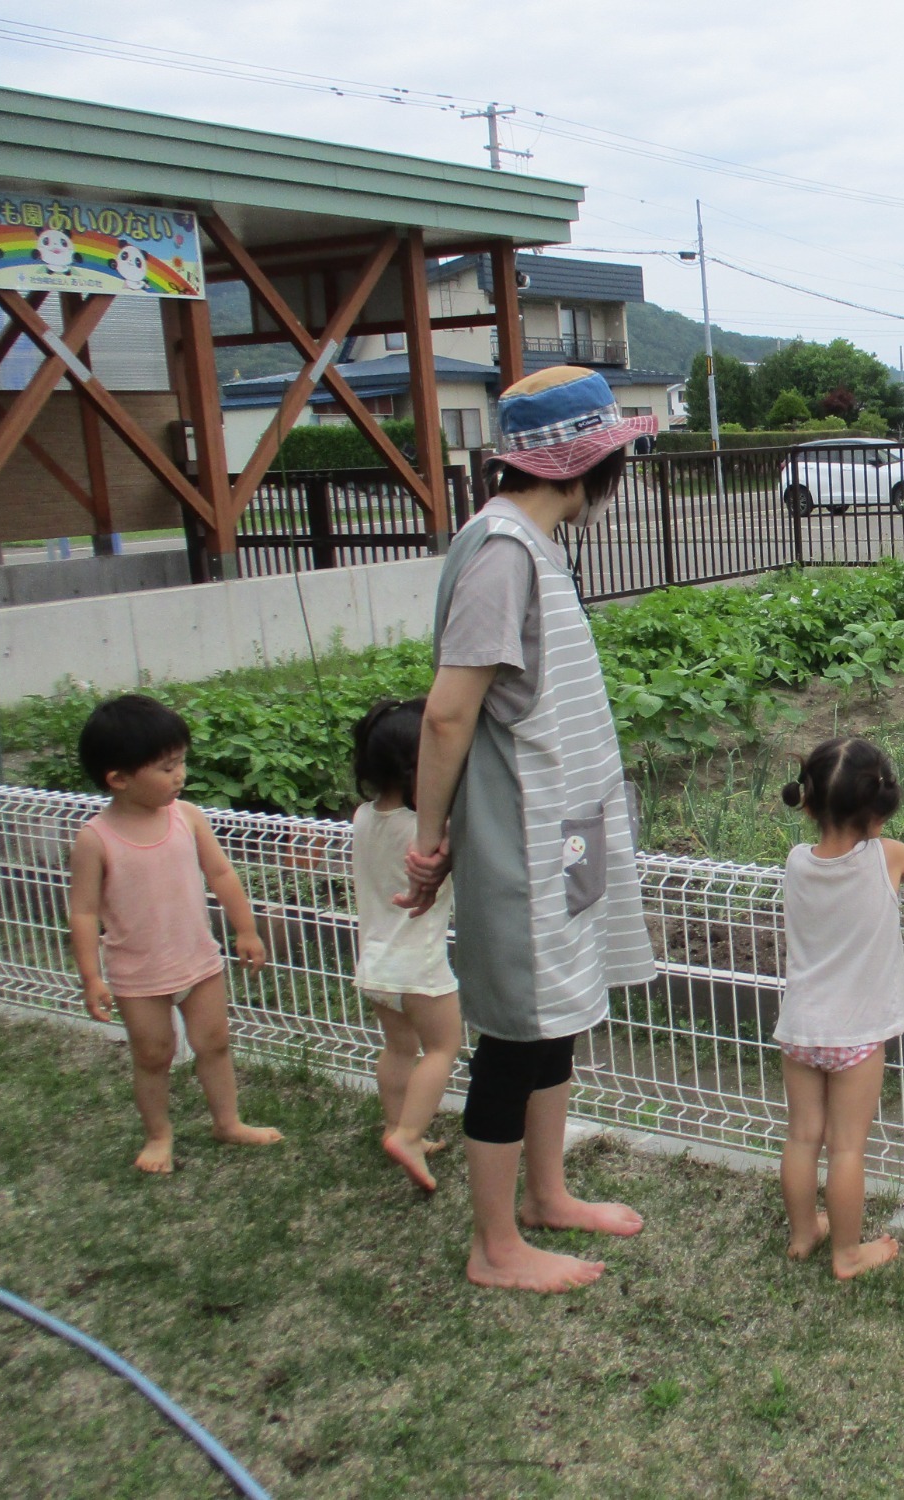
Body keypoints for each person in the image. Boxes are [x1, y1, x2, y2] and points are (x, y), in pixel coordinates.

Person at [402, 366, 660, 1294]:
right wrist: (432, 841)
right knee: (516, 1036)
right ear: (589, 463)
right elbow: (447, 715)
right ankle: (494, 1245)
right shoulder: (504, 553)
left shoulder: (536, 545)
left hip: (573, 826)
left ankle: (547, 1194)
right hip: (525, 840)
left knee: (560, 1014)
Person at [65, 694, 281, 1173]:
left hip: (198, 960)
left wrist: (245, 929)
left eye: (181, 762)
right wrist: (91, 977)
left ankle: (228, 1122)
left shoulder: (188, 818)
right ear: (118, 779)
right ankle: (159, 1135)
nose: (179, 776)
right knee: (153, 1054)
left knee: (216, 1042)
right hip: (137, 972)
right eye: (166, 768)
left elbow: (221, 874)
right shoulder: (95, 839)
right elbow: (83, 912)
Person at [776, 737, 904, 1279]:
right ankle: (848, 1253)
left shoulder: (796, 861)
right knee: (848, 1147)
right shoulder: (887, 857)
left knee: (803, 1136)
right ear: (879, 812)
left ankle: (805, 1232)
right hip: (856, 1036)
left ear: (806, 803)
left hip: (800, 1026)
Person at [352, 698, 463, 1193]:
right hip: (419, 965)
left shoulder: (363, 818)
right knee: (442, 1047)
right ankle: (411, 1136)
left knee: (398, 1049)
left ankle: (395, 1125)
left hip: (375, 962)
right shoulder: (427, 832)